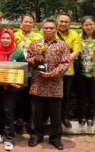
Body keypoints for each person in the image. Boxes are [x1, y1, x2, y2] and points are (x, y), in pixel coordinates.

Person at [27, 18, 70, 150]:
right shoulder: (35, 44)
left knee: (55, 114)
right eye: (46, 28)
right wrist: (35, 58)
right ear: (42, 29)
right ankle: (35, 135)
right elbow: (28, 59)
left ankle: (55, 138)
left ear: (56, 29)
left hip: (55, 84)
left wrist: (52, 73)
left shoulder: (63, 45)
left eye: (51, 28)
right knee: (36, 113)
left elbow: (65, 63)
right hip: (38, 84)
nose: (49, 30)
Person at [0, 29, 25, 151]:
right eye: (3, 38)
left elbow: (23, 69)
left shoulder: (18, 53)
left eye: (8, 38)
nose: (5, 40)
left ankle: (9, 138)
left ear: (12, 39)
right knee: (0, 111)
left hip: (12, 88)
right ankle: (1, 132)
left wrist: (20, 83)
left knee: (8, 111)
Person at [14, 14, 43, 125]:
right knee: (18, 95)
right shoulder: (15, 35)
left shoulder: (38, 37)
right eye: (26, 21)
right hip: (19, 70)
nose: (28, 24)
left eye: (30, 22)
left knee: (31, 95)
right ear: (21, 23)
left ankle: (30, 119)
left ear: (33, 24)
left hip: (33, 69)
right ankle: (18, 118)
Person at [56, 12, 81, 128]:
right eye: (61, 21)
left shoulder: (75, 34)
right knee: (52, 95)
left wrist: (63, 62)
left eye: (66, 22)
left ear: (70, 23)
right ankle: (51, 116)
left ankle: (64, 117)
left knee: (65, 95)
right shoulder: (51, 32)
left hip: (68, 71)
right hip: (53, 71)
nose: (63, 23)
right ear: (57, 22)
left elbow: (76, 51)